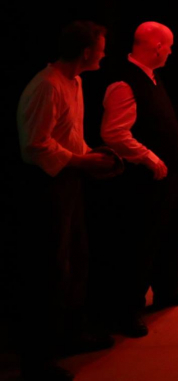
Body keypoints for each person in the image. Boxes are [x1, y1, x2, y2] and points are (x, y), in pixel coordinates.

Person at [15, 21, 116, 380]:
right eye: (100, 47)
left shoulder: (75, 82)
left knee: (76, 260)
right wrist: (82, 161)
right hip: (47, 186)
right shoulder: (47, 85)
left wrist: (91, 156)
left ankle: (70, 336)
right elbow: (34, 146)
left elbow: (68, 135)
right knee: (50, 268)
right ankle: (37, 359)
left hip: (68, 181)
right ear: (86, 52)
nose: (104, 53)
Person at [97, 22, 178, 338]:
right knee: (140, 243)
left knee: (171, 234)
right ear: (158, 47)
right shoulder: (124, 84)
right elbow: (114, 133)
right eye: (168, 46)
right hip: (145, 181)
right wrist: (148, 157)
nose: (171, 52)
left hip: (169, 177)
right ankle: (127, 311)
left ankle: (168, 288)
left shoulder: (152, 77)